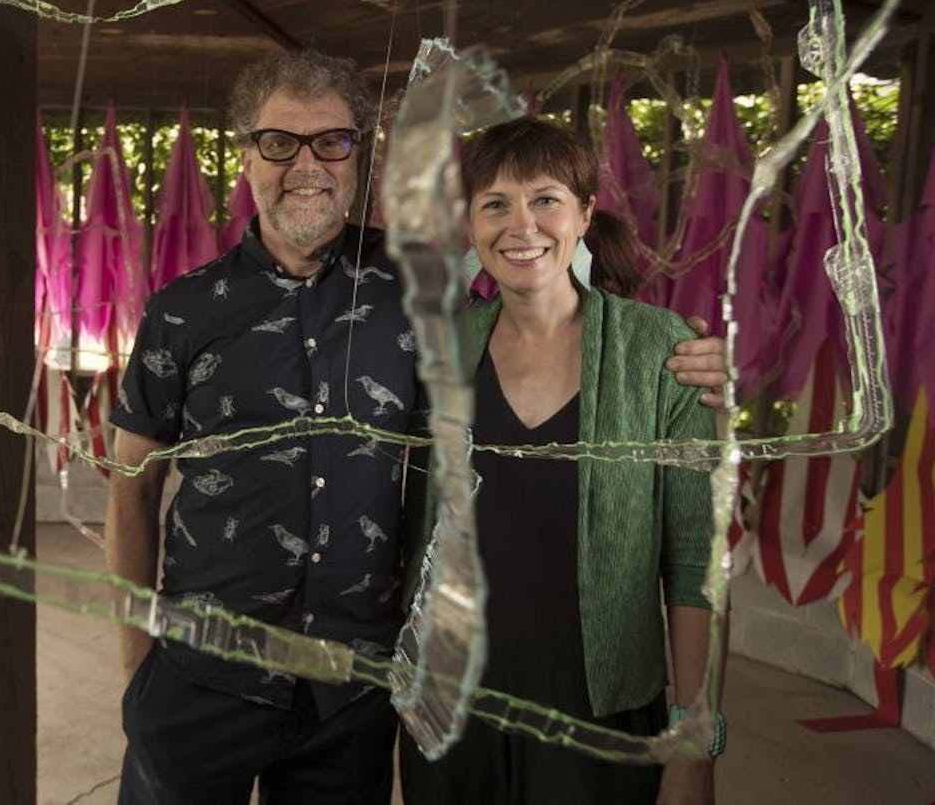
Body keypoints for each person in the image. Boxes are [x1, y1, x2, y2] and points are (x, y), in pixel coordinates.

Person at [105, 51, 727, 805]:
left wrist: (689, 354)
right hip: (203, 677)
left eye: (332, 141)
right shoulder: (183, 310)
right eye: (280, 142)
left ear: (359, 157)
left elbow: (550, 290)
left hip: (351, 695)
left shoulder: (414, 296)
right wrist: (138, 666)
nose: (307, 163)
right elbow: (131, 492)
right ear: (245, 152)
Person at [398, 116, 724, 805]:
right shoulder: (441, 353)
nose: (522, 225)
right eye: (495, 204)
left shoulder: (660, 353)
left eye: (545, 198)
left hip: (599, 716)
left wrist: (694, 742)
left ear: (583, 213)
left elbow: (696, 566)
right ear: (471, 226)